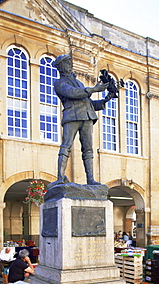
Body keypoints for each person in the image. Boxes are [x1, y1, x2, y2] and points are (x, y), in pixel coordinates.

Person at [48, 54, 114, 188]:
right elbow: (73, 93)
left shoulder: (78, 82)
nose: (70, 65)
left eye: (70, 62)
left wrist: (106, 99)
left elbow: (88, 103)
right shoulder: (60, 83)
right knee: (66, 146)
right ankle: (60, 177)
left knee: (88, 149)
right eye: (67, 63)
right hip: (72, 116)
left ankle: (90, 179)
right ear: (61, 67)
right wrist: (94, 89)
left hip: (87, 116)